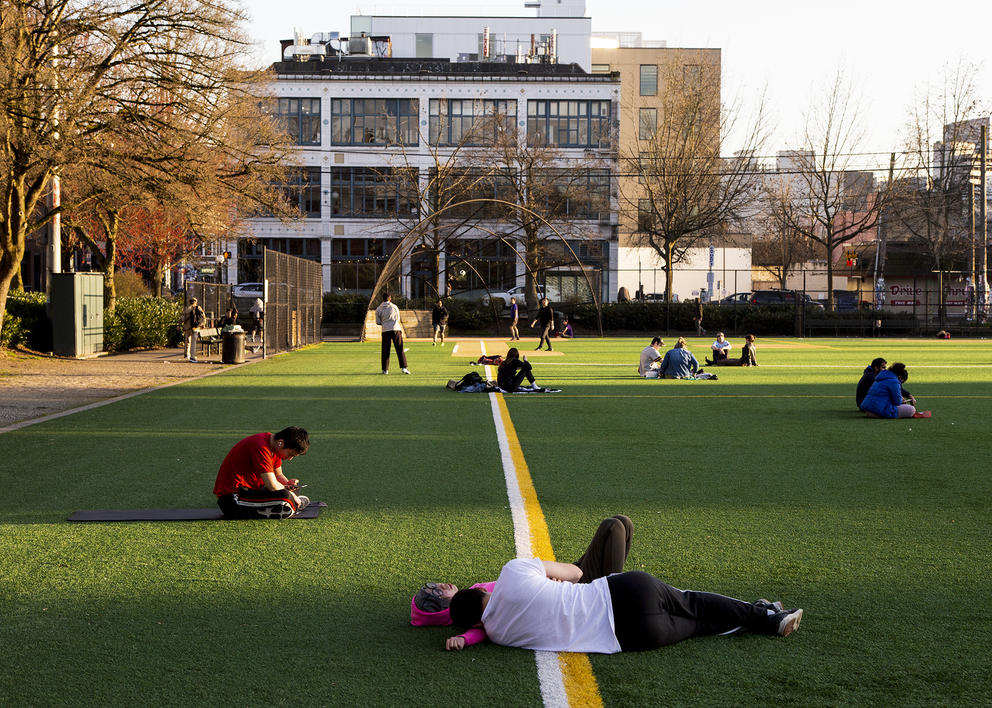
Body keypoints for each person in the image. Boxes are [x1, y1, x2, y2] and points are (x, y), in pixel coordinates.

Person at [447, 558, 803, 654]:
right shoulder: (511, 572)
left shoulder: (498, 636)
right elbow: (575, 572)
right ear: (480, 591)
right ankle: (765, 615)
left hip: (632, 637)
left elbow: (483, 631)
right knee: (693, 600)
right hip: (622, 593)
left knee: (698, 625)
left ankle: (766, 619)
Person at [409, 515, 634, 651]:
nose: (441, 586)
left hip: (560, 580)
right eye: (438, 595)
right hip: (575, 592)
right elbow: (480, 631)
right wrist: (463, 639)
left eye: (435, 585)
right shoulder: (477, 617)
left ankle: (615, 589)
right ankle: (613, 593)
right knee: (614, 527)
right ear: (444, 611)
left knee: (620, 523)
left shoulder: (476, 592)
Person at [213, 426, 310, 519]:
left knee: (287, 493)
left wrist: (288, 484)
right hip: (233, 499)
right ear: (281, 443)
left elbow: (278, 475)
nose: (290, 459)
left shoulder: (274, 447)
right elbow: (272, 485)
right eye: (290, 454)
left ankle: (293, 502)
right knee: (286, 497)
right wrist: (291, 494)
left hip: (250, 492)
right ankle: (294, 504)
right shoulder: (261, 446)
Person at [860, 362, 930, 419]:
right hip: (878, 410)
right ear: (899, 377)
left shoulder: (882, 376)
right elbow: (897, 401)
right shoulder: (894, 381)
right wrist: (902, 400)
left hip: (868, 409)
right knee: (912, 409)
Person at [375, 293, 410, 374]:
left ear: (382, 299)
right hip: (395, 329)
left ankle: (385, 370)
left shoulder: (378, 309)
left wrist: (385, 323)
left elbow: (378, 322)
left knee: (385, 350)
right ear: (390, 298)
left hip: (385, 330)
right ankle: (404, 368)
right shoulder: (394, 307)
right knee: (399, 348)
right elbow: (397, 318)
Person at [181, 297, 206, 362]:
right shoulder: (199, 308)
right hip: (196, 328)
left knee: (187, 342)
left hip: (187, 328)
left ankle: (187, 354)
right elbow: (203, 316)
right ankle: (192, 356)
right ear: (196, 302)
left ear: (189, 302)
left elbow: (182, 319)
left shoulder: (187, 309)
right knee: (193, 343)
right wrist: (203, 324)